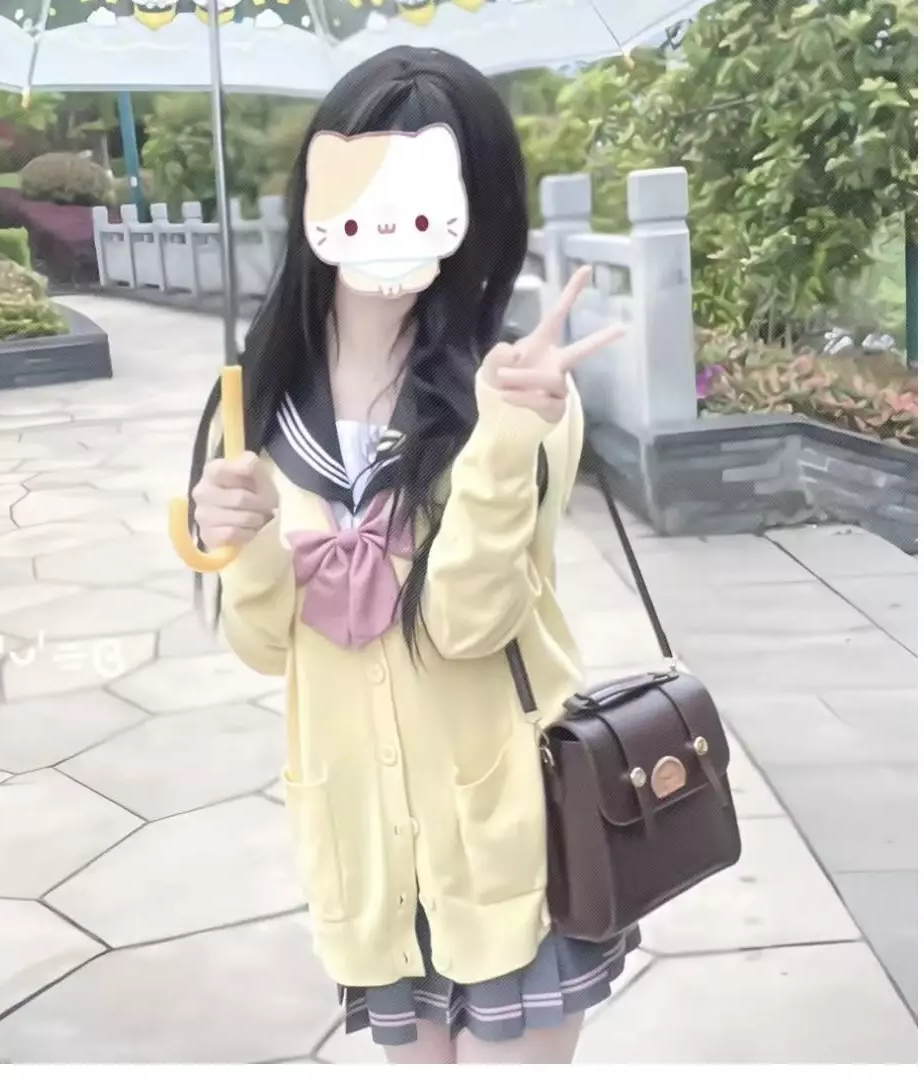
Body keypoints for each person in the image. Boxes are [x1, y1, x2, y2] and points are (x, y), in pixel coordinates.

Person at [188, 45, 636, 1067]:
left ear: (475, 212)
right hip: (367, 856)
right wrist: (243, 542)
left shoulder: (520, 392)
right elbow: (267, 648)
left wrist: (504, 441)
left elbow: (468, 625)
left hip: (509, 845)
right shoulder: (252, 410)